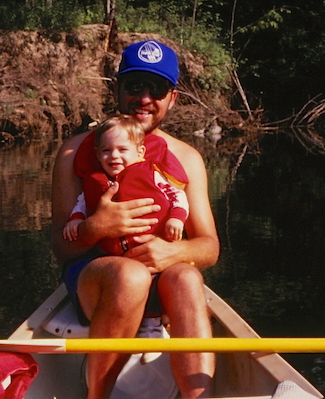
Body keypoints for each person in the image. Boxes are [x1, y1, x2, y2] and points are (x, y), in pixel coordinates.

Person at [51, 39, 219, 398]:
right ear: (118, 89)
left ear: (172, 97)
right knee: (129, 275)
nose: (144, 97)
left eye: (156, 89)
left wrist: (171, 253)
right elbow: (61, 250)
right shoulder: (73, 152)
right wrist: (94, 228)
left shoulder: (187, 159)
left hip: (162, 277)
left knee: (188, 275)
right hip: (98, 279)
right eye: (134, 86)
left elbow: (209, 247)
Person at [63, 114, 189, 254]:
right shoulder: (95, 181)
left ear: (140, 152)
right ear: (97, 154)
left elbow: (177, 195)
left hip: (157, 248)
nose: (114, 155)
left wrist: (176, 218)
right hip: (116, 257)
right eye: (106, 150)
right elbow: (82, 202)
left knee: (185, 275)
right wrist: (76, 219)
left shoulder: (151, 173)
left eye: (122, 150)